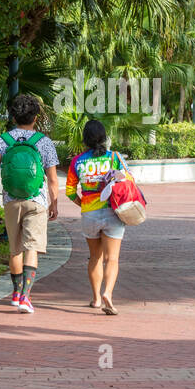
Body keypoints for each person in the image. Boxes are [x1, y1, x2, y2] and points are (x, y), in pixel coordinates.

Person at [0, 94, 60, 313]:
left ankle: (15, 293)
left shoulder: (3, 140)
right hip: (36, 201)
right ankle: (25, 297)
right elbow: (52, 178)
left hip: (11, 201)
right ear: (36, 117)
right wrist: (54, 203)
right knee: (32, 246)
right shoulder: (44, 142)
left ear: (13, 116)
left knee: (15, 249)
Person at [65, 119, 128, 315]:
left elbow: (69, 191)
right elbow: (129, 180)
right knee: (112, 259)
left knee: (95, 257)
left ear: (85, 140)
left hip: (89, 214)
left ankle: (95, 299)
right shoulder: (114, 157)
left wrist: (83, 203)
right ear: (104, 137)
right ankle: (107, 293)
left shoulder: (77, 161)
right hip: (113, 213)